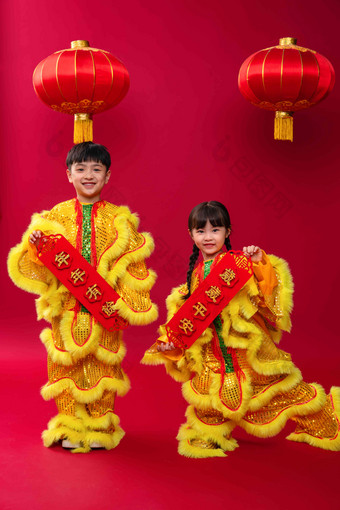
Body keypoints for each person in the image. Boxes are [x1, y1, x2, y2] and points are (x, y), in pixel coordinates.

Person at [142, 201, 340, 458]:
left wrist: (259, 264)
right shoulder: (196, 274)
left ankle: (330, 420)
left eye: (215, 229)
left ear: (227, 232)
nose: (208, 236)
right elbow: (188, 319)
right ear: (191, 235)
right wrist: (173, 345)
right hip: (213, 358)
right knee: (206, 408)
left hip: (246, 352)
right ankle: (213, 432)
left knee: (288, 393)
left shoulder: (238, 263)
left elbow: (265, 294)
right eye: (200, 231)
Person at [8, 141, 158, 453]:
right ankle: (70, 423)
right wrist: (36, 247)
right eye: (81, 169)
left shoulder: (119, 219)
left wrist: (126, 302)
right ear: (69, 174)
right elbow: (37, 267)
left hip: (104, 307)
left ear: (107, 176)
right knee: (66, 365)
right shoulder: (55, 216)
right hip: (66, 308)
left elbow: (133, 263)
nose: (88, 175)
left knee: (103, 366)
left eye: (96, 169)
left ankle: (100, 425)